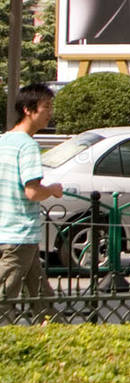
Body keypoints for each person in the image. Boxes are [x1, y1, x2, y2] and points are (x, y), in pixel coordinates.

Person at [0, 84, 64, 312]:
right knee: (3, 301)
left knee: (43, 300)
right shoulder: (28, 146)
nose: (50, 113)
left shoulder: (4, 141)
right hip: (18, 236)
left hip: (8, 232)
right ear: (28, 109)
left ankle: (56, 340)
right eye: (46, 107)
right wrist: (53, 189)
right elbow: (33, 191)